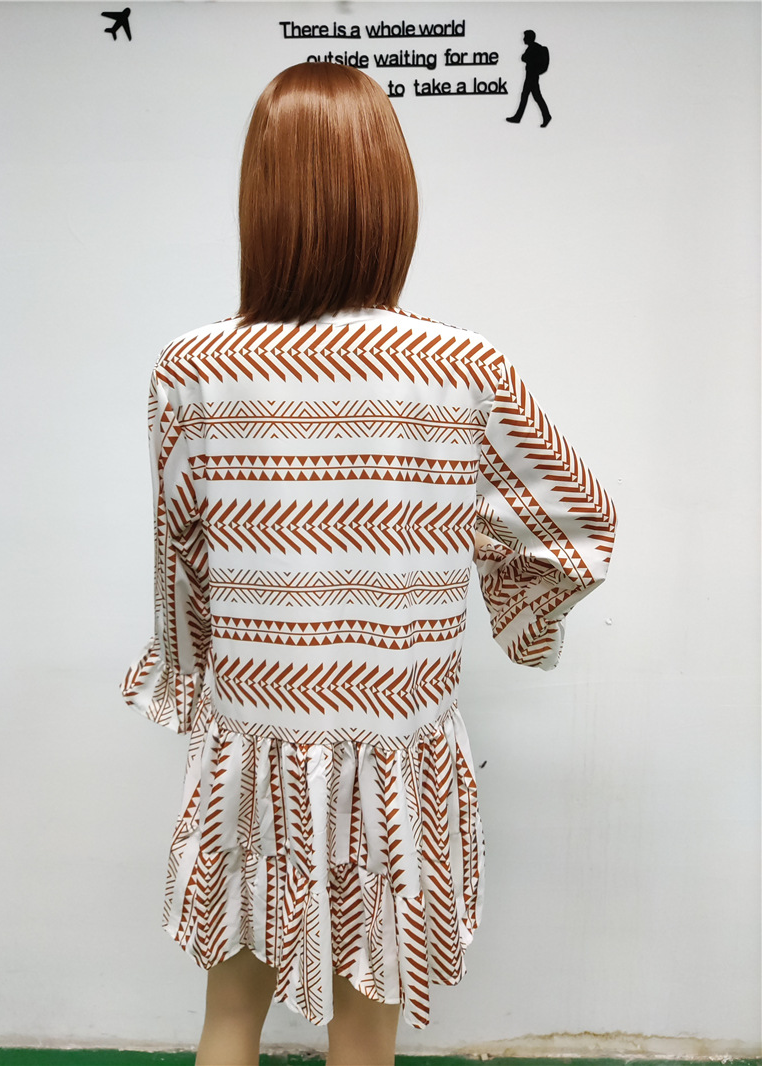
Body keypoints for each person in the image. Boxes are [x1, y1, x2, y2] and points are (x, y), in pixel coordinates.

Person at [120, 62, 616, 1066]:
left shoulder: (192, 368)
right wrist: (508, 607)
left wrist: (186, 672)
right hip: (395, 744)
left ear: (260, 196)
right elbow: (577, 525)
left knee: (227, 1017)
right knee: (364, 1030)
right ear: (389, 196)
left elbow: (181, 557)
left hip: (252, 740)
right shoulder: (463, 368)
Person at [506, 30, 552, 126]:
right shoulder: (533, 47)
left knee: (529, 96)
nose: (523, 39)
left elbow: (524, 58)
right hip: (531, 75)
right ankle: (546, 116)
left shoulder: (534, 48)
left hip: (532, 76)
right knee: (534, 96)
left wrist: (529, 59)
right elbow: (524, 58)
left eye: (525, 37)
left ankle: (519, 117)